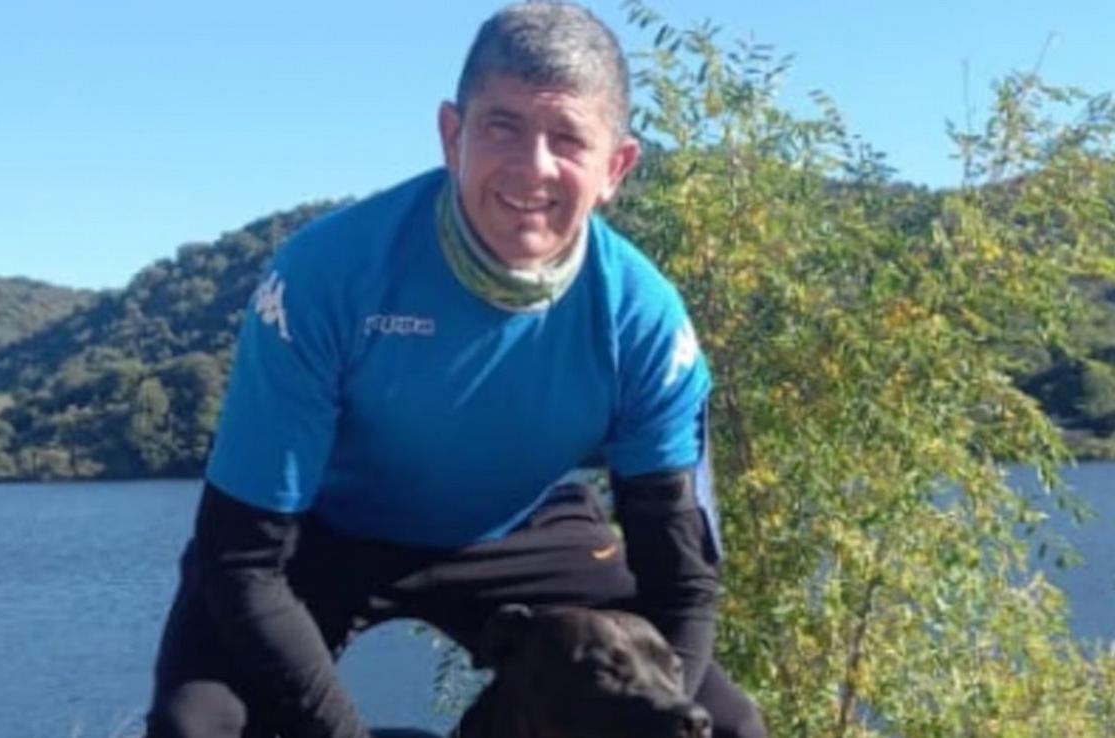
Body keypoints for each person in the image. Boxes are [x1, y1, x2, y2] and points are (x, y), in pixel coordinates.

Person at [145, 3, 766, 738]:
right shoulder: (325, 277)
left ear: (615, 168)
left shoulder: (643, 319)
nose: (533, 165)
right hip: (320, 531)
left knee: (729, 727)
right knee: (198, 727)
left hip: (519, 524)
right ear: (452, 135)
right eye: (502, 125)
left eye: (569, 138)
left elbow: (683, 583)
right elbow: (241, 560)